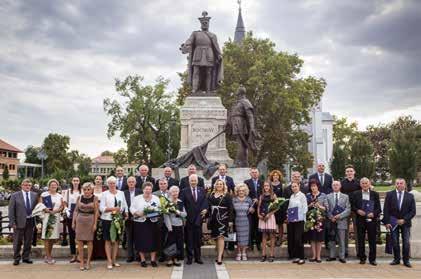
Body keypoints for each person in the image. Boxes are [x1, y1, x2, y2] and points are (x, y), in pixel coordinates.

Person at [383, 178, 416, 268]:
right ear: (395, 184)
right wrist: (386, 222)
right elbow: (386, 209)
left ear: (404, 185)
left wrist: (404, 220)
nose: (399, 185)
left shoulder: (410, 196)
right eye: (397, 183)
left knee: (406, 242)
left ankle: (406, 260)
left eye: (401, 183)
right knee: (395, 241)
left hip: (405, 223)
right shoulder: (390, 194)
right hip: (393, 222)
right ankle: (396, 259)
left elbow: (413, 211)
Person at [99, 176, 128, 270]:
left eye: (113, 183)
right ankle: (109, 261)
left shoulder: (121, 193)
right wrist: (112, 209)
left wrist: (125, 212)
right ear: (107, 184)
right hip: (107, 220)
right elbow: (101, 208)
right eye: (110, 183)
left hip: (118, 219)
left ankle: (114, 260)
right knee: (108, 240)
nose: (112, 185)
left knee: (116, 241)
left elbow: (124, 205)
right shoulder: (104, 194)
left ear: (116, 184)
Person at [351, 177, 381, 265]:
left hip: (371, 220)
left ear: (369, 184)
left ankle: (372, 259)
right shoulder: (356, 194)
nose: (364, 185)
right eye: (363, 183)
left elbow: (379, 208)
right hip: (360, 219)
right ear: (360, 185)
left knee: (372, 239)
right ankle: (362, 258)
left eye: (366, 183)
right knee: (361, 239)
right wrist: (358, 211)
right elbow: (352, 206)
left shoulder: (375, 194)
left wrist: (374, 213)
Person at [130, 182, 161, 267]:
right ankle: (143, 260)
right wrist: (137, 213)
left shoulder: (156, 198)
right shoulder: (137, 198)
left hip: (152, 222)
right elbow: (131, 208)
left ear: (152, 190)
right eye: (146, 189)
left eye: (150, 189)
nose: (148, 191)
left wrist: (153, 213)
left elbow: (159, 209)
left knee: (153, 241)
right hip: (140, 222)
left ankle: (153, 260)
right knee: (141, 241)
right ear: (143, 189)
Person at [9, 179, 38, 265]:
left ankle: (26, 257)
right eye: (25, 185)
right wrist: (12, 222)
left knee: (28, 241)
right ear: (22, 186)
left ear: (31, 186)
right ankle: (16, 258)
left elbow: (37, 209)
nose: (27, 187)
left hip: (30, 221)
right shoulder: (15, 195)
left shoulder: (34, 195)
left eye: (29, 185)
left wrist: (38, 222)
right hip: (18, 222)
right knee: (17, 241)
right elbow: (11, 210)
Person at [180, 174, 208, 265]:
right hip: (188, 219)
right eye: (191, 180)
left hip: (199, 219)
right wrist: (184, 216)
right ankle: (189, 258)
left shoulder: (202, 190)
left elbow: (205, 201)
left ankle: (198, 258)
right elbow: (182, 204)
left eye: (195, 180)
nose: (193, 182)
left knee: (198, 240)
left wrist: (205, 209)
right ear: (189, 181)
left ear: (197, 181)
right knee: (189, 240)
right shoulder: (184, 191)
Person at [72, 182, 98, 271]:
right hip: (80, 221)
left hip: (90, 221)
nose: (86, 191)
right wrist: (73, 222)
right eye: (85, 189)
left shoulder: (95, 198)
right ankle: (82, 262)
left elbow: (96, 212)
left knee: (90, 241)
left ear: (92, 190)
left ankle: (88, 262)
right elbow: (75, 210)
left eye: (88, 189)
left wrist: (95, 224)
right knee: (80, 242)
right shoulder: (79, 197)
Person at [208, 179, 233, 265]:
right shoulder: (211, 195)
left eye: (221, 184)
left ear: (223, 185)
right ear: (215, 185)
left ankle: (219, 258)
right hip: (214, 218)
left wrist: (230, 220)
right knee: (216, 237)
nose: (219, 185)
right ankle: (220, 254)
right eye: (217, 184)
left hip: (223, 219)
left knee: (221, 237)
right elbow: (208, 207)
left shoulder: (227, 195)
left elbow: (231, 208)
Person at [325, 181, 351, 263]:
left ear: (340, 186)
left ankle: (342, 256)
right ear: (332, 187)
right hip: (331, 221)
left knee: (341, 240)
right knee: (331, 239)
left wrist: (339, 216)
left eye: (337, 185)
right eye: (334, 185)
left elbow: (348, 209)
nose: (335, 186)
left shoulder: (346, 197)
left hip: (341, 221)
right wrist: (331, 217)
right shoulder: (328, 196)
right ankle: (332, 256)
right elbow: (326, 209)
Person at [41, 179, 64, 264]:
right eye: (52, 185)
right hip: (47, 217)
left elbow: (62, 206)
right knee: (47, 237)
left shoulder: (59, 196)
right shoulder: (44, 194)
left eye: (55, 185)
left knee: (52, 238)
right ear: (49, 186)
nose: (53, 186)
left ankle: (48, 255)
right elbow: (40, 204)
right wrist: (46, 209)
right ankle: (48, 257)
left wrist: (57, 211)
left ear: (57, 186)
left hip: (55, 217)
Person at [163, 186, 186, 267]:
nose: (175, 193)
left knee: (178, 243)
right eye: (173, 191)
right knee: (170, 243)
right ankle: (169, 259)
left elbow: (185, 214)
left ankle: (176, 259)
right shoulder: (168, 202)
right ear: (170, 192)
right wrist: (169, 227)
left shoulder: (180, 202)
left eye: (176, 191)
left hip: (179, 226)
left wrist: (178, 212)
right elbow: (166, 216)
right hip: (171, 226)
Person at [340, 165, 360, 257]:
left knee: (357, 231)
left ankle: (359, 252)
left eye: (351, 171)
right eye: (347, 171)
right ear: (345, 173)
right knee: (345, 231)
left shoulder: (359, 183)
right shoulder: (342, 183)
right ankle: (345, 251)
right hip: (345, 210)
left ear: (354, 172)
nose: (349, 173)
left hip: (356, 210)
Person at [305, 179, 327, 263]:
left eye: (314, 186)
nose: (313, 187)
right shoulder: (307, 195)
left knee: (319, 238)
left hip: (320, 219)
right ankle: (313, 256)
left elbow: (326, 208)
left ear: (318, 186)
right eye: (311, 186)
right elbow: (305, 207)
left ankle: (318, 256)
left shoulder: (323, 195)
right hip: (311, 219)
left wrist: (319, 206)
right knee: (312, 238)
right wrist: (310, 205)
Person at [287, 182, 307, 264]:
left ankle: (302, 257)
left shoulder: (302, 195)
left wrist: (300, 217)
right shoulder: (292, 196)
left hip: (299, 220)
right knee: (293, 239)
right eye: (292, 187)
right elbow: (290, 207)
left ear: (298, 186)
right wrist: (288, 216)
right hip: (292, 220)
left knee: (298, 239)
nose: (294, 188)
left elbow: (305, 208)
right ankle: (297, 257)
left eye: (295, 186)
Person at [232, 183, 254, 261]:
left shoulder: (249, 199)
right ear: (237, 191)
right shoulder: (234, 199)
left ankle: (244, 252)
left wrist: (252, 210)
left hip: (246, 221)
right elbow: (231, 211)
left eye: (243, 191)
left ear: (245, 191)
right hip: (237, 221)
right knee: (238, 237)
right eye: (239, 191)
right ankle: (238, 252)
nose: (241, 192)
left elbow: (252, 210)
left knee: (245, 237)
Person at [244, 167, 263, 250]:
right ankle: (250, 244)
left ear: (258, 173)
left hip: (260, 208)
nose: (254, 173)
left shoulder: (262, 182)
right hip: (250, 209)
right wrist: (250, 206)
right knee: (250, 227)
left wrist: (259, 201)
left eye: (256, 172)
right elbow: (245, 195)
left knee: (259, 227)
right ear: (250, 174)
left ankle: (259, 243)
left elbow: (265, 193)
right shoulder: (246, 182)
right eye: (253, 172)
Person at [258, 181, 277, 262]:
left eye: (267, 186)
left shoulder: (273, 195)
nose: (266, 187)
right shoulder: (261, 196)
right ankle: (263, 254)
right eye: (265, 186)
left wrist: (269, 214)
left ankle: (272, 254)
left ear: (270, 187)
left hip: (270, 217)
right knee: (264, 236)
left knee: (272, 236)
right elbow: (259, 206)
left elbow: (277, 207)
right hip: (262, 217)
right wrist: (258, 215)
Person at [63, 176, 81, 263]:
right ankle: (73, 255)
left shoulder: (82, 191)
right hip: (70, 215)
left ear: (79, 182)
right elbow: (65, 203)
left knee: (79, 236)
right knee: (72, 236)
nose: (76, 182)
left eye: (77, 180)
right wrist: (66, 209)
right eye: (74, 180)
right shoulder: (67, 192)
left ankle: (79, 255)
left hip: (80, 215)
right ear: (72, 181)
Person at [123, 176, 141, 263]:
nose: (131, 183)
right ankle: (130, 256)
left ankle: (138, 255)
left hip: (139, 217)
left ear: (135, 183)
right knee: (129, 238)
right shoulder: (124, 193)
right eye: (129, 182)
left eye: (132, 182)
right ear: (127, 183)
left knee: (138, 237)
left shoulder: (140, 192)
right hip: (128, 218)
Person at [153, 178, 170, 263]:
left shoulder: (171, 193)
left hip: (169, 220)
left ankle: (169, 255)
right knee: (160, 238)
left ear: (167, 184)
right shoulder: (154, 194)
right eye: (161, 184)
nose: (163, 185)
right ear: (159, 185)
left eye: (164, 183)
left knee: (169, 238)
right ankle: (161, 255)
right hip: (159, 220)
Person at [268, 170, 285, 246]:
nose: (275, 176)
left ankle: (280, 239)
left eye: (277, 175)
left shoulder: (282, 185)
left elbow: (283, 197)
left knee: (280, 224)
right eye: (274, 175)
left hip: (279, 207)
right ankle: (273, 239)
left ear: (279, 177)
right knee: (272, 224)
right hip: (271, 208)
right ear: (272, 176)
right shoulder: (269, 185)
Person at [92, 175, 106, 260]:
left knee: (102, 233)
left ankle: (102, 254)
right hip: (93, 213)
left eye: (100, 179)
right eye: (96, 179)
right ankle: (94, 254)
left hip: (103, 213)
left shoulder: (105, 190)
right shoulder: (91, 189)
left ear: (102, 181)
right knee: (94, 233)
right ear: (94, 180)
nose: (98, 180)